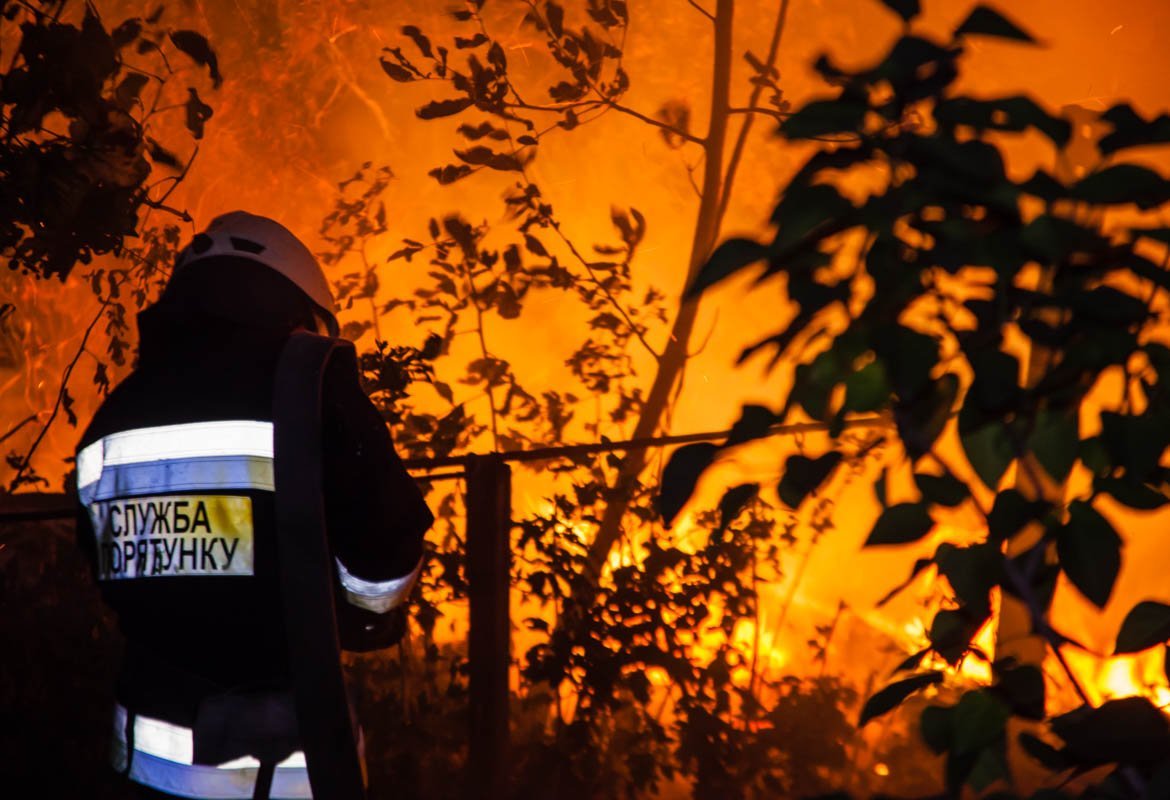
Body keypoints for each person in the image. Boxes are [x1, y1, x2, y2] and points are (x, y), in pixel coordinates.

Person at [73, 211, 433, 799]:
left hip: (141, 767)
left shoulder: (113, 415)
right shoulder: (309, 382)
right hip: (282, 777)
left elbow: (107, 567)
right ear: (299, 310)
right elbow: (383, 555)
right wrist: (363, 615)